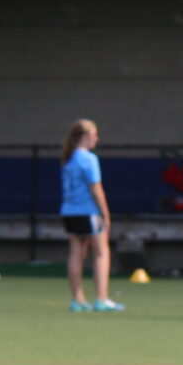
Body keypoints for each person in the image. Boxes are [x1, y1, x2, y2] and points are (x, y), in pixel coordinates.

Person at [58, 119, 121, 312]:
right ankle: (101, 298)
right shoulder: (89, 159)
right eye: (94, 134)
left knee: (76, 253)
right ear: (86, 136)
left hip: (69, 211)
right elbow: (96, 189)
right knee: (101, 253)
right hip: (88, 211)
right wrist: (105, 213)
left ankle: (77, 300)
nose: (96, 138)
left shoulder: (68, 159)